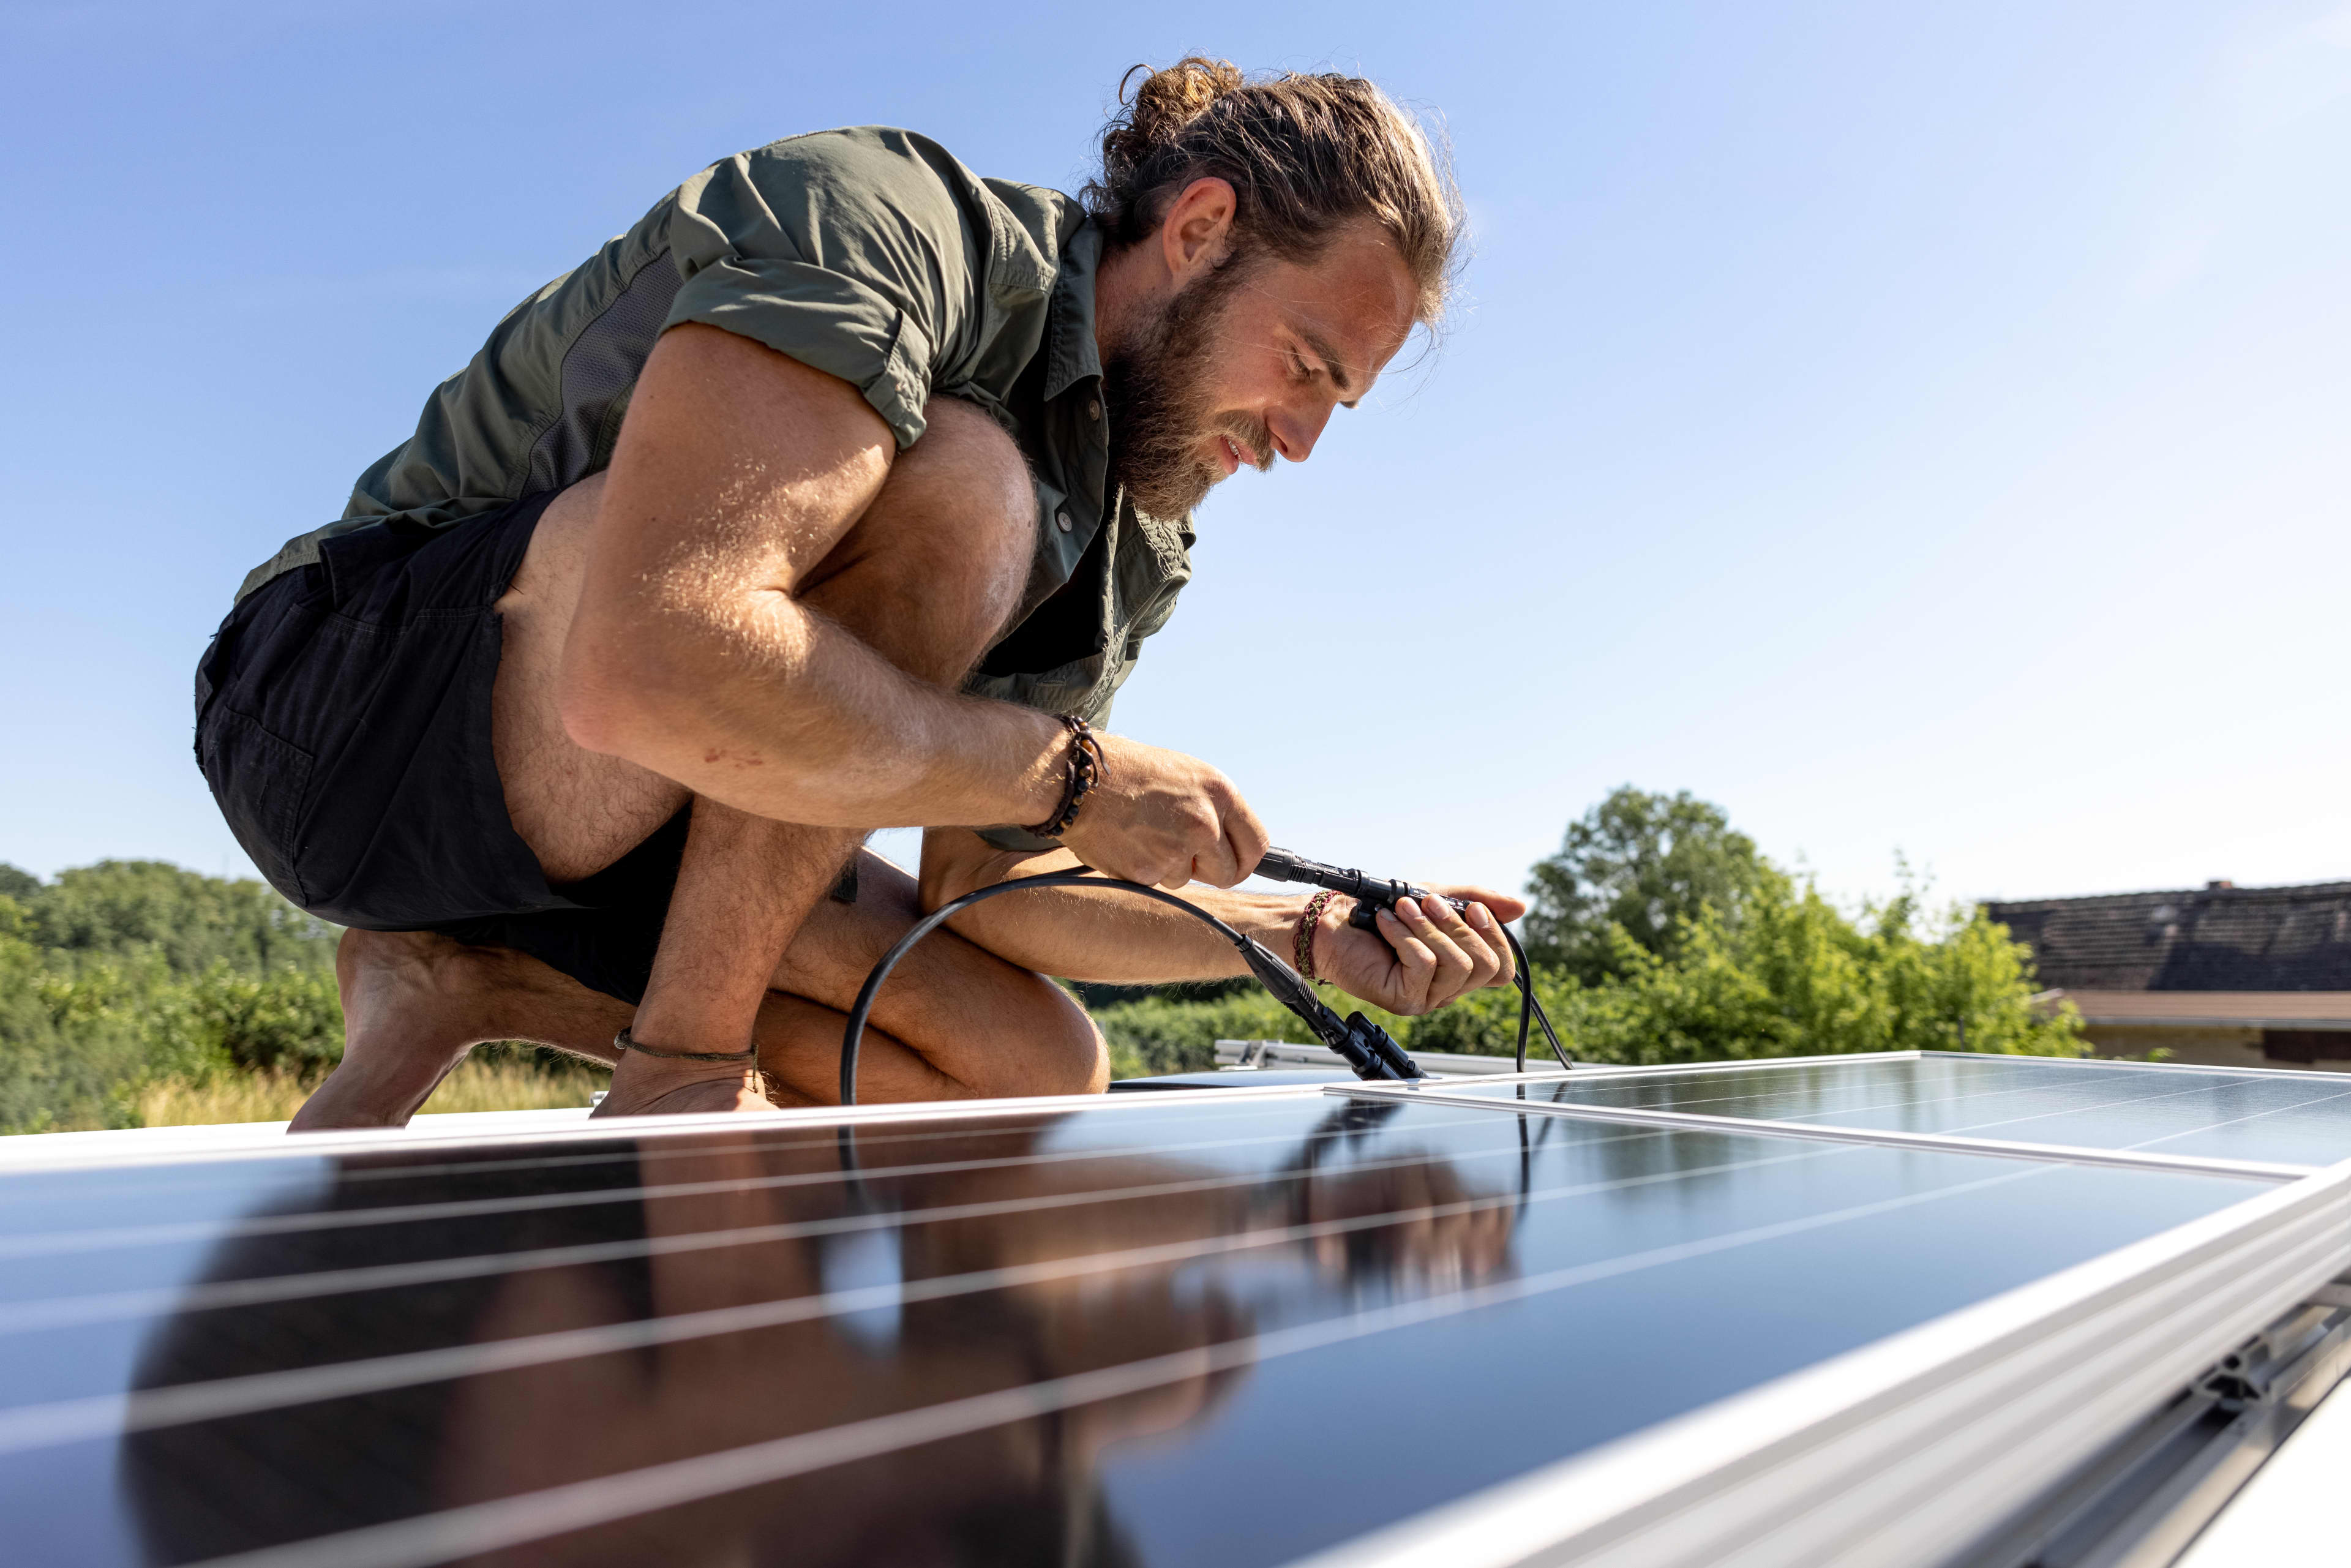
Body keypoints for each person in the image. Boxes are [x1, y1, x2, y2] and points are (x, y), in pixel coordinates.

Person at [193, 58, 1526, 1125]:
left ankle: (471, 974)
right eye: (1303, 364)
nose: (1301, 440)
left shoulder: (1141, 523)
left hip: (617, 823)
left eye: (1337, 403)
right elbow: (649, 664)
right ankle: (680, 1078)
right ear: (1200, 228)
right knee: (965, 487)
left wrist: (1302, 934)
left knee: (1028, 1073)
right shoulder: (891, 223)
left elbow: (983, 881)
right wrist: (1071, 774)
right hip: (335, 723)